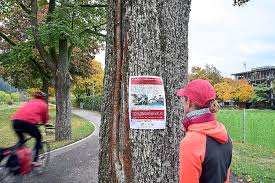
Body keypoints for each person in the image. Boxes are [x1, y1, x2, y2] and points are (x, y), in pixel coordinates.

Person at [177, 79, 232, 183]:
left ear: (189, 101)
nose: (182, 104)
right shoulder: (225, 135)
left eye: (183, 99)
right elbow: (226, 177)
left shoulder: (191, 142)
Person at [11, 91, 49, 166]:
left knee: (21, 141)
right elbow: (44, 119)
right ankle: (35, 160)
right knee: (38, 137)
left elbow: (26, 112)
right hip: (28, 123)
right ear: (43, 98)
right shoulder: (43, 104)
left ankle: (13, 155)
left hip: (15, 121)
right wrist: (44, 123)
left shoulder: (30, 102)